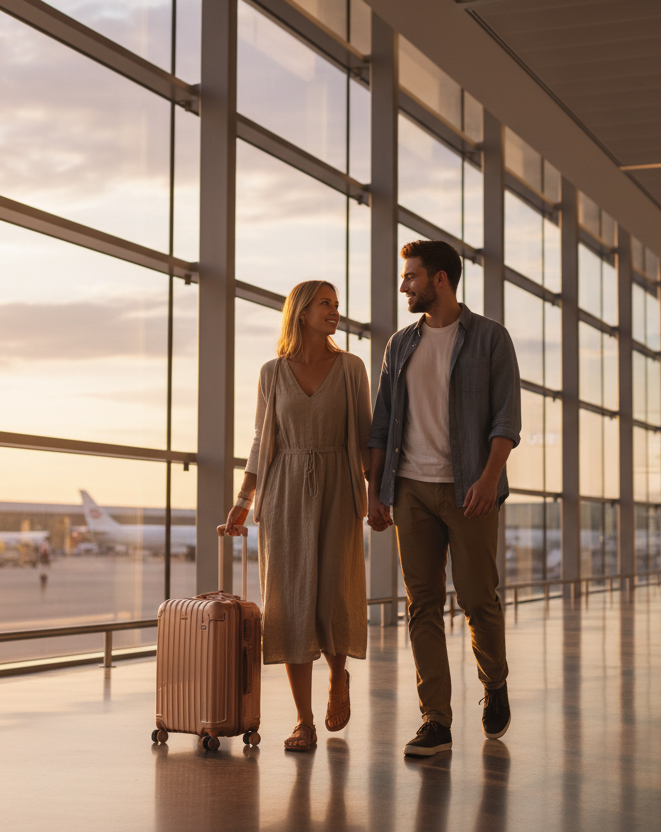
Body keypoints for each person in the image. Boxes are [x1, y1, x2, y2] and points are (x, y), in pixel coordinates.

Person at [367, 240, 522, 757]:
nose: (404, 285)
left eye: (411, 276)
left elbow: (506, 419)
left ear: (440, 280)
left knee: (479, 598)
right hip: (410, 489)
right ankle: (436, 719)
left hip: (470, 490)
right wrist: (376, 491)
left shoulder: (491, 339)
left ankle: (494, 682)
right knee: (423, 605)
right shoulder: (399, 345)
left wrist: (487, 477)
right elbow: (383, 423)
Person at [220, 280, 372, 752]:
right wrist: (244, 500)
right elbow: (261, 440)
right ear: (302, 312)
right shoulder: (271, 372)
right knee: (288, 603)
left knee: (333, 595)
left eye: (336, 305)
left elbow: (366, 438)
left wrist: (380, 496)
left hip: (337, 490)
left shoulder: (351, 368)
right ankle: (303, 721)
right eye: (325, 304)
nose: (334, 311)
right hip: (284, 492)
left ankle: (338, 675)